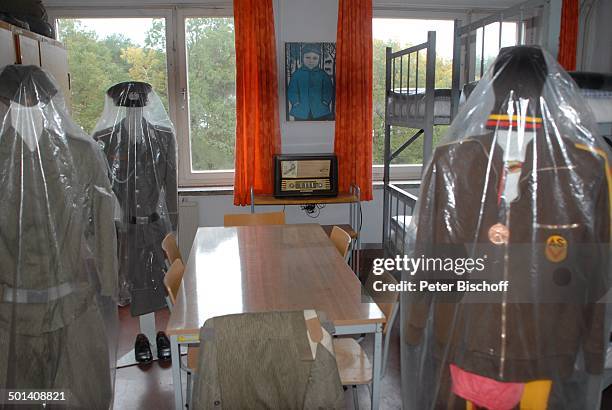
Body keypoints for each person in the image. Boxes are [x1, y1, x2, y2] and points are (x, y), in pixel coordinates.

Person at [287, 44, 334, 120]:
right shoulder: (297, 74)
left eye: (315, 58)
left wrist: (325, 101)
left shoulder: (323, 74)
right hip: (301, 109)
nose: (311, 61)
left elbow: (328, 89)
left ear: (319, 59)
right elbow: (292, 89)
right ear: (302, 58)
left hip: (319, 109)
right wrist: (295, 102)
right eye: (307, 57)